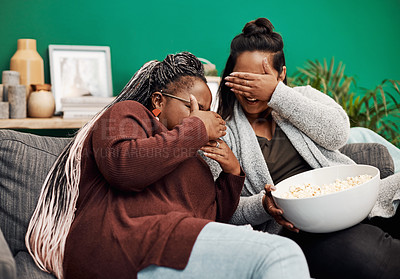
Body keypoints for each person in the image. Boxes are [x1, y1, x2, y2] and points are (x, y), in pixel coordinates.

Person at [25, 52, 310, 279]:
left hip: (171, 247)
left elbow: (210, 220)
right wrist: (196, 129)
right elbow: (123, 168)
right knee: (282, 255)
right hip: (124, 242)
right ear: (159, 100)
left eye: (207, 110)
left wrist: (232, 173)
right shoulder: (128, 114)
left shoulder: (191, 157)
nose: (203, 116)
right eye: (192, 107)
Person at [204, 18, 400, 279]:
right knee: (371, 259)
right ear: (230, 77)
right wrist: (263, 204)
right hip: (299, 228)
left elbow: (338, 134)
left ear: (281, 74)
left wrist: (277, 95)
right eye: (243, 79)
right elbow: (222, 209)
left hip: (353, 200)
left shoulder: (302, 97)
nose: (252, 90)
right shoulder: (223, 134)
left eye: (261, 78)